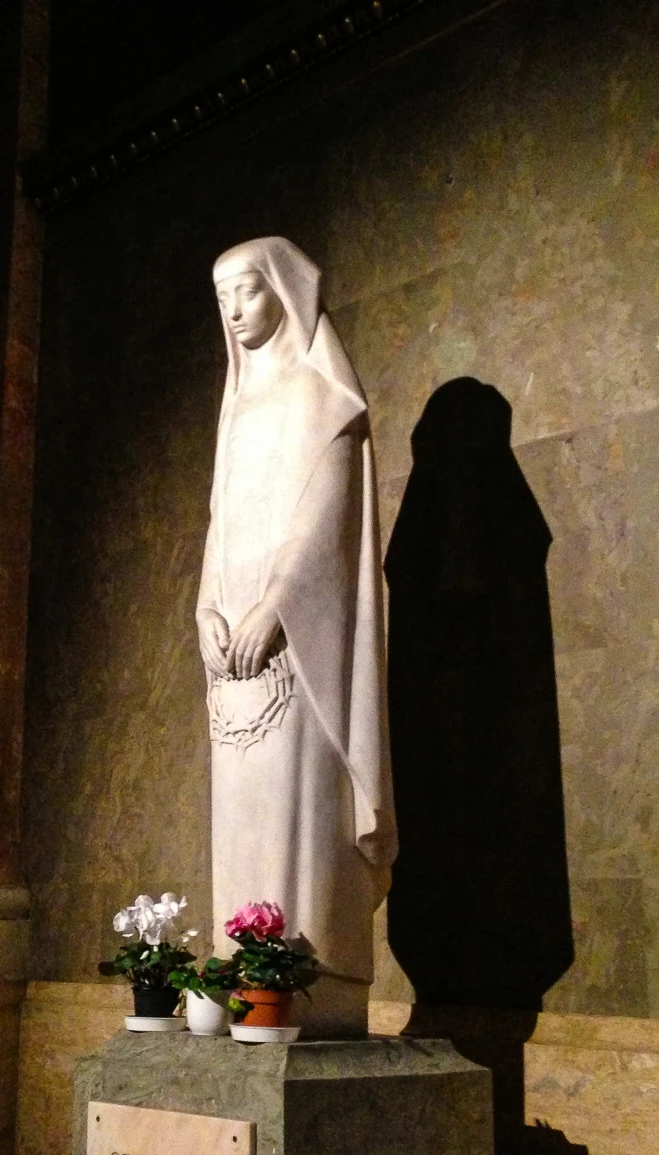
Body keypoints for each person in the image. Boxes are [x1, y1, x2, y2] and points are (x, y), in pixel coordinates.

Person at [198, 236, 396, 1035]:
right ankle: (241, 975)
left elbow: (326, 523)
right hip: (232, 653)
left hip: (297, 647)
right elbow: (219, 523)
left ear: (281, 290)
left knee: (296, 814)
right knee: (243, 812)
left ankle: (304, 983)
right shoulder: (239, 403)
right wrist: (206, 608)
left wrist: (277, 606)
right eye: (222, 299)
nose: (235, 311)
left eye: (245, 291)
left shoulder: (324, 402)